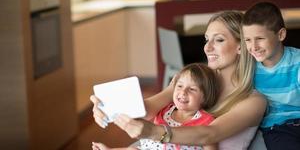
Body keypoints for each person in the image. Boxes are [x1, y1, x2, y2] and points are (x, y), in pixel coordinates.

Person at [90, 10, 267, 149]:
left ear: (241, 46)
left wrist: (154, 132)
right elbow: (148, 108)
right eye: (206, 39)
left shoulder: (254, 101)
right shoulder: (190, 80)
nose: (207, 47)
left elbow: (209, 134)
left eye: (218, 40)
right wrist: (110, 107)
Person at [92, 63, 220, 150]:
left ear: (206, 96)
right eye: (179, 86)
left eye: (192, 89)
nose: (183, 92)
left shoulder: (206, 122)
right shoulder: (164, 111)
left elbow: (210, 142)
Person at [241, 1, 300, 150]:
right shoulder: (250, 67)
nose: (253, 47)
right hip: (277, 128)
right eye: (248, 40)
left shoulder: (297, 61)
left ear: (281, 34)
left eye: (260, 39)